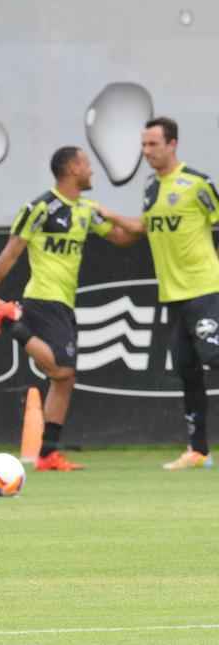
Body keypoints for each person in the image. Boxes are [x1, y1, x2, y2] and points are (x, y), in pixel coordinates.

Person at [0, 146, 133, 471]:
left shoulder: (87, 210)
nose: (92, 170)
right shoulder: (40, 208)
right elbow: (11, 253)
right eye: (87, 164)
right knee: (62, 370)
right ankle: (11, 321)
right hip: (43, 298)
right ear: (73, 168)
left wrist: (117, 216)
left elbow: (122, 238)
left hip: (64, 302)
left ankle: (48, 454)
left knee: (64, 380)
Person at [102, 117, 219, 470]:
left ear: (172, 144)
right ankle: (198, 450)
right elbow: (142, 227)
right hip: (173, 295)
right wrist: (106, 215)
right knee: (187, 370)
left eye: (153, 144)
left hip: (204, 289)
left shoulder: (197, 184)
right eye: (143, 145)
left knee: (215, 358)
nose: (146, 152)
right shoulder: (152, 188)